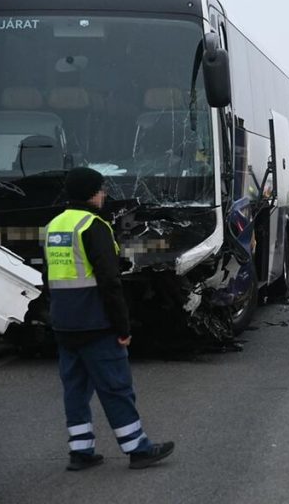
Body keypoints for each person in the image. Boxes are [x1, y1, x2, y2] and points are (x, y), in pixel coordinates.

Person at [44, 167, 174, 471]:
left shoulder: (53, 226)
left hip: (64, 322)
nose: (104, 195)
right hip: (96, 322)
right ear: (92, 193)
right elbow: (110, 282)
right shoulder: (93, 225)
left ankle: (80, 452)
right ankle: (138, 449)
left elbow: (47, 275)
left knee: (75, 389)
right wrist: (123, 326)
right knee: (115, 386)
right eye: (101, 190)